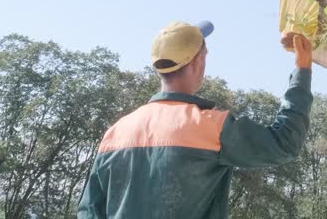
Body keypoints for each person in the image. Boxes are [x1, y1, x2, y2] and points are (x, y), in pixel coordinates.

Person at [77, 20, 314, 219]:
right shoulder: (210, 127)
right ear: (198, 62)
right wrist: (301, 71)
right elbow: (284, 142)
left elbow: (88, 211)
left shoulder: (116, 133)